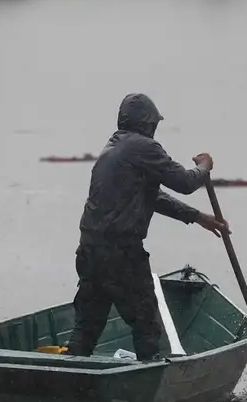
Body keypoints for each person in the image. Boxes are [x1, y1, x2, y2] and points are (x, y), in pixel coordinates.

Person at [64, 93, 229, 362]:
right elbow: (186, 183)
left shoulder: (112, 148)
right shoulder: (145, 148)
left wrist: (197, 216)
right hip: (121, 255)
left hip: (90, 251)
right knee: (146, 325)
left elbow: (152, 196)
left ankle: (67, 380)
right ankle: (147, 382)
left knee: (86, 328)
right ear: (147, 124)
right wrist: (204, 167)